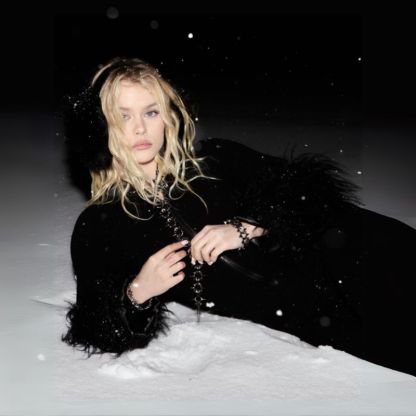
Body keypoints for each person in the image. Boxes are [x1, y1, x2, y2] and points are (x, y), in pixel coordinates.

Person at [61, 57, 416, 376]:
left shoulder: (216, 159)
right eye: (123, 116)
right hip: (312, 311)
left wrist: (246, 227)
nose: (140, 128)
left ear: (168, 118)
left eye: (151, 112)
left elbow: (309, 192)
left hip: (350, 246)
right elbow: (95, 328)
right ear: (101, 126)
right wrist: (139, 292)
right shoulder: (100, 226)